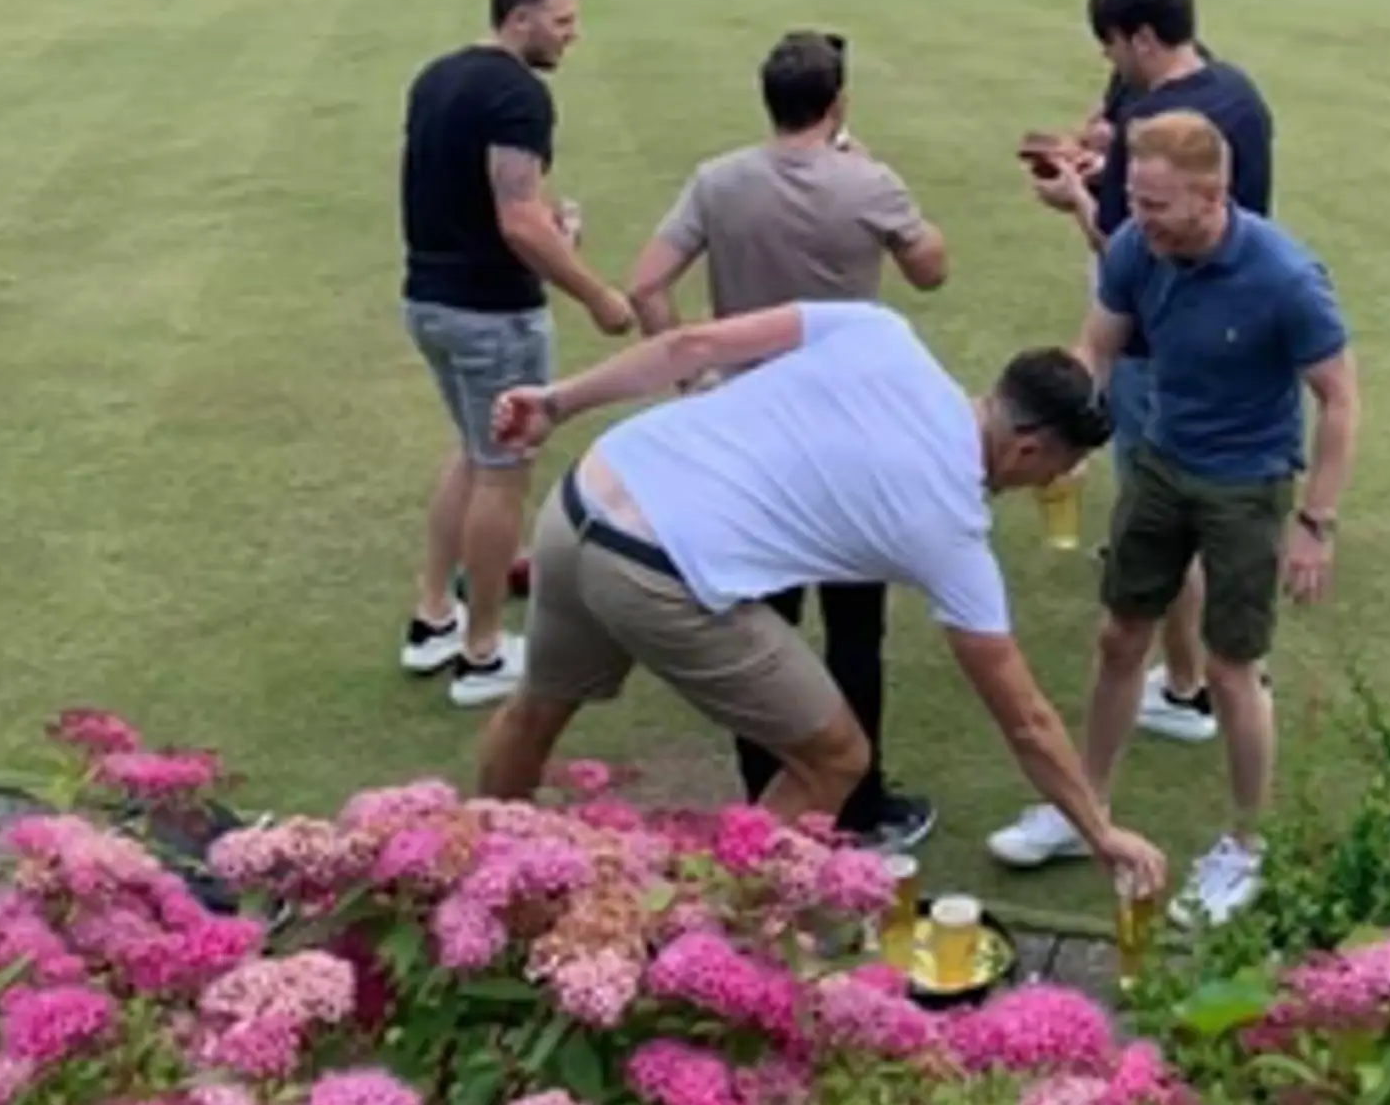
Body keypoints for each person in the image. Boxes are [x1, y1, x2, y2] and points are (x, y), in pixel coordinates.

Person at [475, 302, 1171, 908]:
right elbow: (1025, 718)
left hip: (587, 493)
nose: (1048, 484)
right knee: (836, 758)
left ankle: (473, 882)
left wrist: (557, 401)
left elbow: (694, 347)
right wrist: (1098, 829)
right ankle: (712, 936)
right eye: (1056, 470)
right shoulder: (951, 528)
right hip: (662, 571)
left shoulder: (882, 332)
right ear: (1028, 449)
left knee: (536, 708)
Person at [990, 110, 1358, 925]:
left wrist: (1316, 522)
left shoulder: (1286, 278)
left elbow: (1338, 399)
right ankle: (1083, 806)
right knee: (1120, 637)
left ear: (1212, 196)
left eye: (1155, 204)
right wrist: (1069, 432)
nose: (1137, 217)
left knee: (1232, 670)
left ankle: (1243, 846)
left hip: (1246, 484)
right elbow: (1098, 348)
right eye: (1133, 198)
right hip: (1159, 463)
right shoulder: (1134, 249)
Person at [626, 29, 949, 853]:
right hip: (850, 440)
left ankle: (766, 800)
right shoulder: (866, 182)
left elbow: (645, 284)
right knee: (853, 631)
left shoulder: (719, 181)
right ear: (836, 102)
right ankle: (863, 807)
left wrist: (693, 381)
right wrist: (873, 176)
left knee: (755, 631)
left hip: (749, 436)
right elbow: (930, 269)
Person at [1025, 0, 1276, 747]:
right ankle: (1216, 670)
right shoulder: (1235, 94)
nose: (1110, 65)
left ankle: (1189, 684)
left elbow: (1122, 244)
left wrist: (1073, 199)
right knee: (1209, 490)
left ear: (1138, 36)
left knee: (1165, 501)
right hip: (1231, 322)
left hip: (1158, 334)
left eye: (1110, 48)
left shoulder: (1153, 128)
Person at [399, 0, 635, 707]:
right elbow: (518, 217)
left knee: (472, 457)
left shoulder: (438, 76)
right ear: (520, 19)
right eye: (562, 22)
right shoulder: (518, 94)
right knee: (503, 471)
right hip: (491, 312)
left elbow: (471, 197)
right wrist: (598, 295)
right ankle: (481, 656)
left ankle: (432, 616)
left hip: (430, 299)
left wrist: (546, 232)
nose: (573, 35)